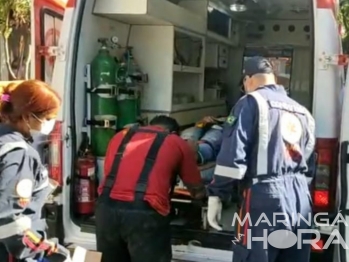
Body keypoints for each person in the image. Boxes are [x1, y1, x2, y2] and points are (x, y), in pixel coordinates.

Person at [206, 57, 316, 262]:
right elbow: (309, 163)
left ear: (248, 80)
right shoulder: (303, 112)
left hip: (264, 197)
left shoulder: (251, 102)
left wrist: (217, 194)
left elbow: (232, 157)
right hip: (300, 198)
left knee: (253, 255)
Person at [96, 115, 206, 262]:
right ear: (173, 132)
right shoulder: (176, 141)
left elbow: (112, 174)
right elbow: (196, 190)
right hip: (144, 216)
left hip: (105, 210)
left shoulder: (119, 137)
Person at [0, 80, 70, 262]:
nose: (51, 124)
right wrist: (48, 251)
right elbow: (10, 222)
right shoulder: (19, 154)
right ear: (27, 116)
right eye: (47, 118)